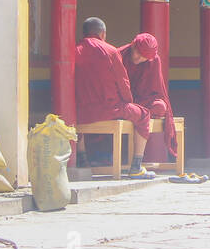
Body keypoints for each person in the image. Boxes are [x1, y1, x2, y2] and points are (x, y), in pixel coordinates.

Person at [73, 17, 155, 179]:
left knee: (75, 115)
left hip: (81, 112)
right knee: (144, 115)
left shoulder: (74, 51)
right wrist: (128, 102)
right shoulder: (111, 51)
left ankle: (82, 160)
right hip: (111, 109)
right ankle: (136, 167)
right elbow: (123, 83)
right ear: (103, 34)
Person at [121, 32, 177, 161]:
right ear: (133, 45)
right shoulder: (119, 55)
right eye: (138, 54)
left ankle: (138, 113)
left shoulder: (154, 60)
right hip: (124, 101)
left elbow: (156, 90)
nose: (139, 59)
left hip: (141, 101)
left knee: (160, 107)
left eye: (144, 58)